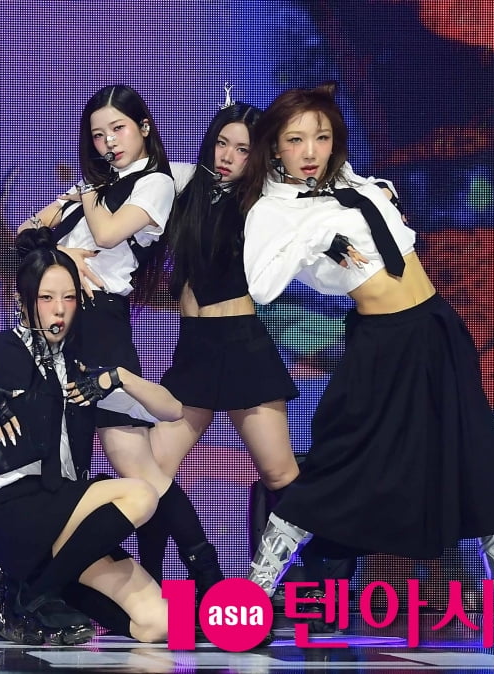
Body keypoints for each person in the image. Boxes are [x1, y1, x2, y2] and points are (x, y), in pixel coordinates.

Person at [240, 82, 494, 650]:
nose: (310, 151)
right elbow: (260, 285)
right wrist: (317, 240)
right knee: (338, 467)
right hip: (380, 344)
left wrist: (373, 194)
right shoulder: (274, 211)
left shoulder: (351, 182)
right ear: (274, 146)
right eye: (295, 140)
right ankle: (253, 600)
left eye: (321, 137)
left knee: (480, 461)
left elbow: (388, 232)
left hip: (436, 329)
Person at [0, 228, 179, 645]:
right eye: (46, 298)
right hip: (13, 508)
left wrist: (121, 377)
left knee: (161, 624)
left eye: (69, 298)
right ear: (23, 301)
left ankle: (34, 588)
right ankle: (35, 593)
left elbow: (171, 410)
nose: (59, 310)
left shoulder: (84, 369)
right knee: (141, 493)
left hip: (68, 517)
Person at [18, 84, 221, 593]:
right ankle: (57, 583)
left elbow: (108, 235)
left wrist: (81, 200)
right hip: (59, 323)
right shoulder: (100, 186)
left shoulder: (152, 183)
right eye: (97, 134)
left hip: (99, 324)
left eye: (118, 129)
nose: (108, 142)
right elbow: (25, 235)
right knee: (64, 460)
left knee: (137, 465)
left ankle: (208, 577)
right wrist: (64, 252)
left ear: (144, 127)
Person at [144, 88, 300, 587]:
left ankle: (292, 580)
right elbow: (128, 182)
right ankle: (161, 580)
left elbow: (324, 190)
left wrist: (379, 191)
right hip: (194, 347)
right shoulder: (184, 186)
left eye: (243, 149)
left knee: (281, 475)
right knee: (151, 470)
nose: (228, 156)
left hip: (241, 346)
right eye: (222, 143)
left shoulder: (264, 200)